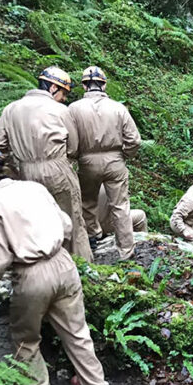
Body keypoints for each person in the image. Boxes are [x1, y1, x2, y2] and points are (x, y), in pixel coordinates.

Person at [0, 142, 108, 385]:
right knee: (77, 333)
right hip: (64, 263)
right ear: (1, 163)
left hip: (30, 274)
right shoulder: (34, 188)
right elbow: (66, 225)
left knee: (25, 340)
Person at [0, 66, 93, 261]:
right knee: (73, 221)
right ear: (53, 87)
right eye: (63, 93)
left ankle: (47, 267)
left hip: (25, 173)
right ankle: (83, 270)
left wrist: (16, 163)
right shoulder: (60, 110)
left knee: (39, 223)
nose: (64, 98)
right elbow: (73, 146)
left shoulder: (11, 109)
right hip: (57, 169)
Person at [69, 66, 141, 261]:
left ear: (84, 85)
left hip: (87, 161)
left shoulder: (73, 109)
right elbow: (134, 140)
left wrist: (77, 156)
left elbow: (70, 140)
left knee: (87, 203)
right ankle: (126, 251)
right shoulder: (118, 108)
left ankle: (93, 238)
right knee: (120, 205)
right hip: (115, 160)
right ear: (104, 84)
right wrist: (125, 154)